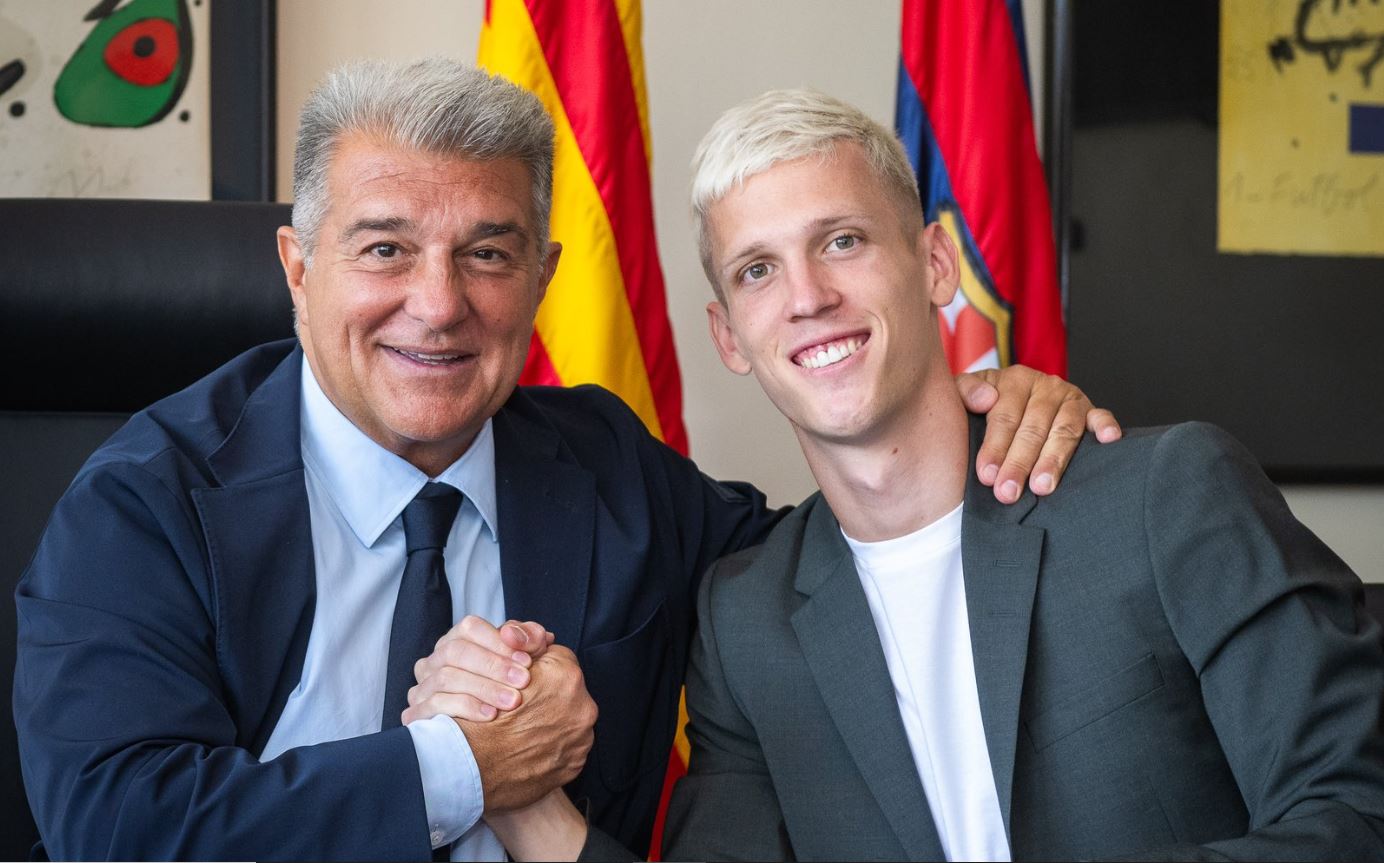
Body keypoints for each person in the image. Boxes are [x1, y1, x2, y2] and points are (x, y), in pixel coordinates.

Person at [12, 60, 1119, 861]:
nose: (439, 304)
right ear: (299, 269)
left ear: (541, 275)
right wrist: (468, 766)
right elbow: (119, 822)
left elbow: (828, 555)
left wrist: (976, 408)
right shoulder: (148, 500)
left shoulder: (604, 467)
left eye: (486, 254)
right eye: (386, 247)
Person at [645, 89, 1384, 861]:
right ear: (729, 336)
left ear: (935, 264)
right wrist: (529, 810)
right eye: (758, 269)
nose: (807, 297)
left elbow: (1357, 816)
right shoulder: (744, 622)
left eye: (841, 241)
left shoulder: (1167, 496)